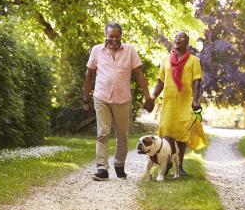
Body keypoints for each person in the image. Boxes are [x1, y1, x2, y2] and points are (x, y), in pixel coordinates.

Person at [83, 22, 154, 181]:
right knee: (103, 133)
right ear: (106, 36)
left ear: (121, 36)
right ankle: (102, 168)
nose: (114, 39)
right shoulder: (96, 50)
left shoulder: (129, 50)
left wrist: (147, 96)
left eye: (117, 36)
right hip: (101, 97)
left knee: (122, 135)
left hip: (122, 99)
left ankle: (119, 164)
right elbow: (89, 75)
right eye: (111, 36)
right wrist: (86, 99)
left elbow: (139, 74)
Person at [148, 31, 208, 175]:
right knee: (166, 132)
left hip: (185, 102)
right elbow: (160, 81)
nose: (177, 39)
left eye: (181, 37)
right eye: (175, 37)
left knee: (182, 135)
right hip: (169, 102)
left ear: (187, 42)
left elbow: (197, 80)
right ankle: (166, 162)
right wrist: (153, 97)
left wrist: (195, 100)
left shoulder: (194, 60)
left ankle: (179, 166)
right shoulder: (165, 59)